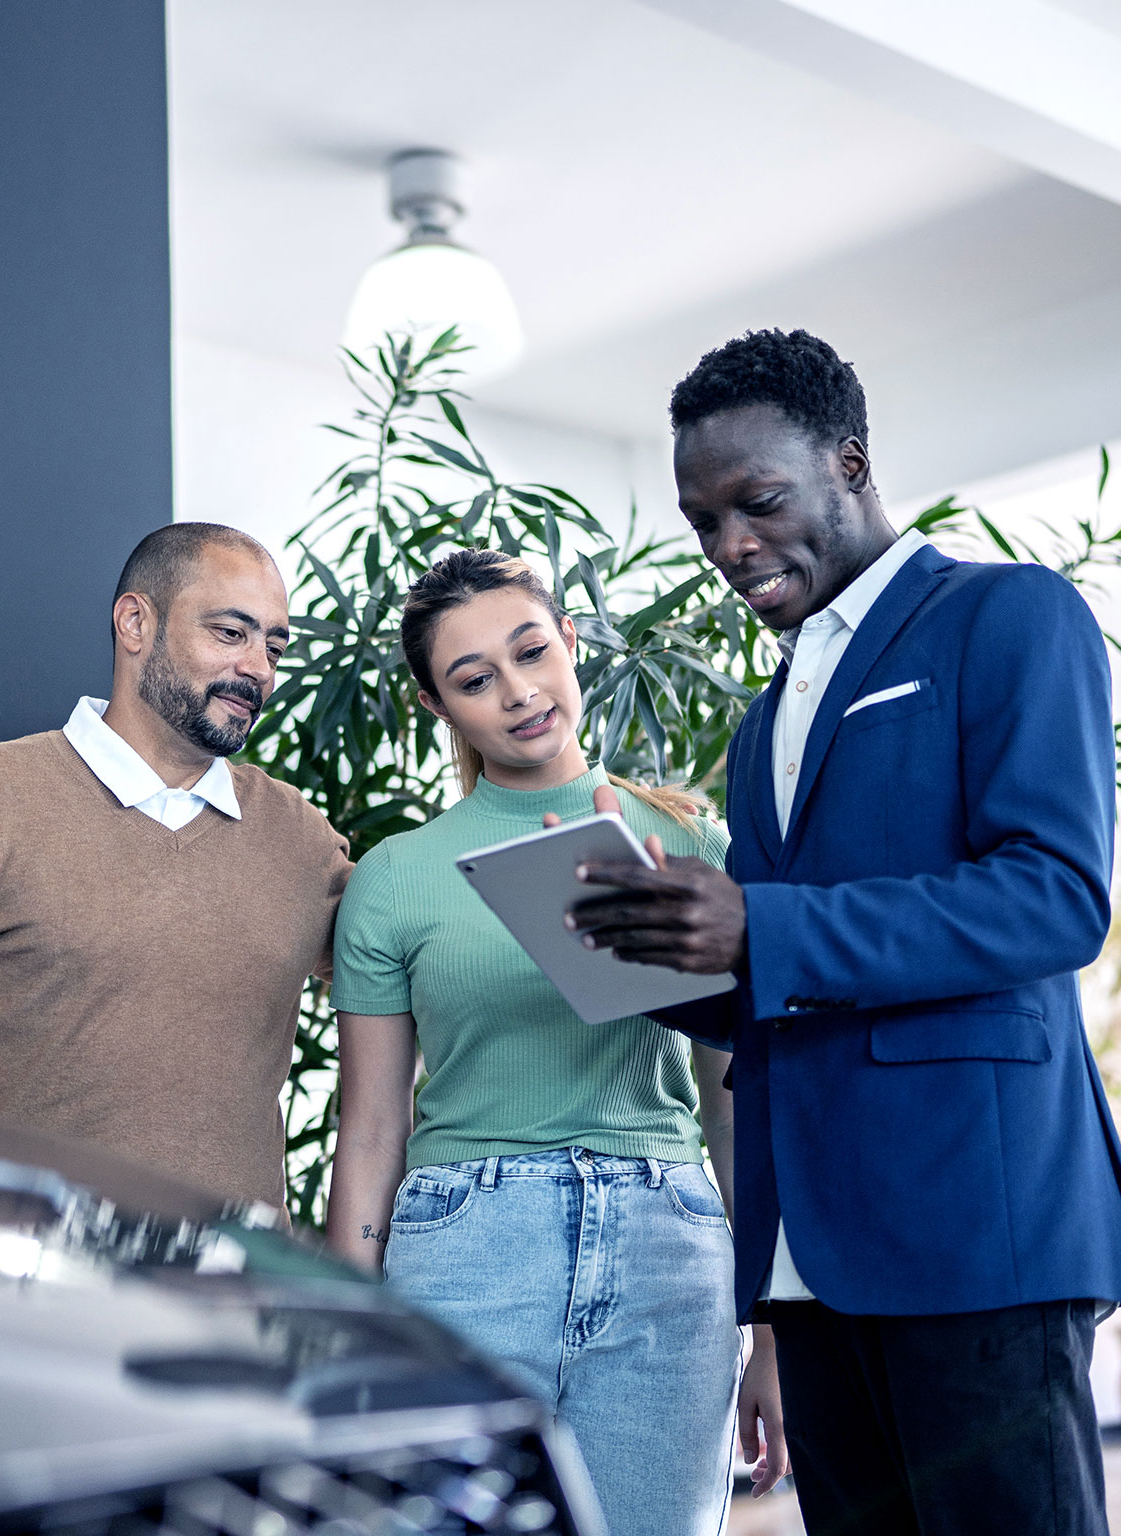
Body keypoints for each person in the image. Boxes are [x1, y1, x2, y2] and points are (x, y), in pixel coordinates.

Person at [568, 329, 1121, 1536]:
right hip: (812, 1247)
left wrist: (758, 921)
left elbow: (1054, 896)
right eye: (703, 522)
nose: (731, 546)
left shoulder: (1007, 615)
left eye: (759, 502)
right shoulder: (759, 726)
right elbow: (780, 972)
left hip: (972, 1226)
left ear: (850, 462)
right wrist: (638, 956)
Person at [324, 548, 746, 1536]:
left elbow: (736, 1096)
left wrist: (771, 1329)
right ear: (439, 707)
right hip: (465, 1249)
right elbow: (372, 1127)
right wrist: (346, 1333)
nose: (519, 693)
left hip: (668, 1253)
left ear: (570, 644)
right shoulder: (398, 877)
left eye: (532, 652)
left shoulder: (693, 845)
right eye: (475, 679)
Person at [0, 523, 351, 1211]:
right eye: (231, 633)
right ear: (136, 622)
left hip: (229, 1294)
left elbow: (428, 974)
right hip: (27, 1286)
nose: (260, 668)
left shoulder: (298, 836)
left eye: (273, 646)